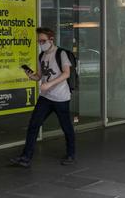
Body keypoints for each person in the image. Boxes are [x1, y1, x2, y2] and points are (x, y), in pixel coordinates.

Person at [10, 27, 76, 168]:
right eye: (39, 41)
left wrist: (49, 84)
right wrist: (31, 75)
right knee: (33, 125)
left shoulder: (61, 53)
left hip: (61, 98)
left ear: (51, 40)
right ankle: (25, 157)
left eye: (43, 40)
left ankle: (71, 155)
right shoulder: (41, 56)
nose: (41, 43)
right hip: (45, 97)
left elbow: (66, 73)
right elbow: (40, 76)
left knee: (66, 127)